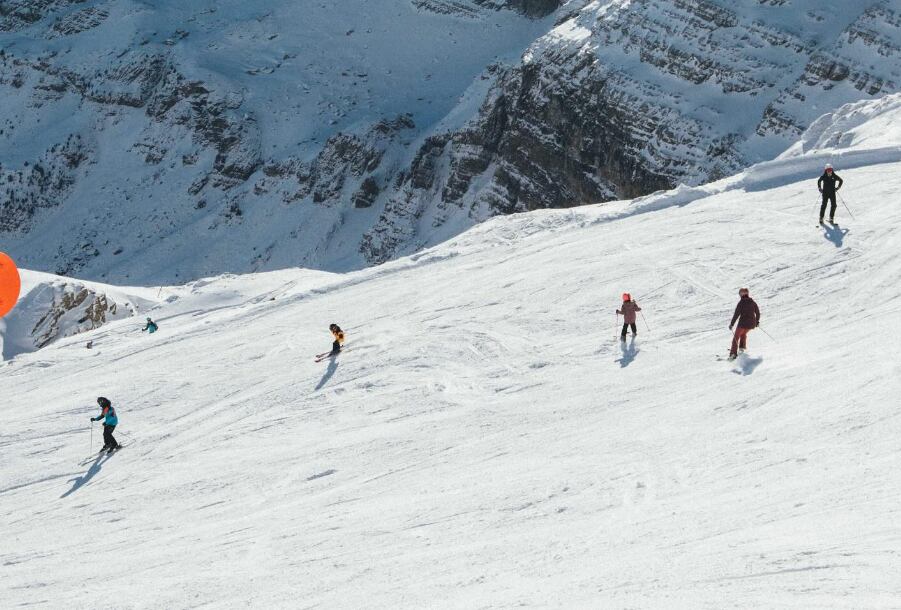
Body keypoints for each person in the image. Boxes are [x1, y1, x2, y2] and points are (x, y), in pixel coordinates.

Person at [728, 288, 760, 360]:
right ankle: (742, 348)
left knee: (736, 337)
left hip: (743, 324)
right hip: (751, 324)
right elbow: (757, 312)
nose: (739, 295)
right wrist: (757, 321)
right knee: (743, 334)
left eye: (740, 293)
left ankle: (733, 354)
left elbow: (736, 314)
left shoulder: (741, 303)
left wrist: (732, 324)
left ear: (742, 294)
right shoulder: (752, 302)